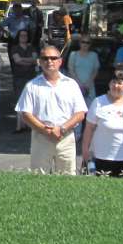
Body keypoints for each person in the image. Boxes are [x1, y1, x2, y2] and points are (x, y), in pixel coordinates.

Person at [16, 43, 88, 174]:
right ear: (40, 62)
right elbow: (26, 113)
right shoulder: (32, 86)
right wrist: (46, 131)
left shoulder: (71, 85)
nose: (49, 61)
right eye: (45, 58)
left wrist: (62, 129)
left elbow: (80, 113)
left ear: (60, 61)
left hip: (65, 138)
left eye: (53, 58)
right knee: (38, 180)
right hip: (41, 138)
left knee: (67, 181)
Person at [82, 72, 123, 177]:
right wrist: (85, 151)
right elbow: (89, 129)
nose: (116, 86)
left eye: (120, 83)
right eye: (113, 82)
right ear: (109, 84)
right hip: (103, 157)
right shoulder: (98, 102)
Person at [8, 28, 38, 132]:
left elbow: (35, 60)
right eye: (21, 35)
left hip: (31, 77)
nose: (24, 37)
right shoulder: (15, 48)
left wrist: (23, 60)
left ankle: (29, 125)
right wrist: (30, 61)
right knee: (19, 101)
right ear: (18, 37)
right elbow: (17, 60)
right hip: (19, 77)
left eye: (25, 35)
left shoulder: (32, 48)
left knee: (31, 101)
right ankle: (19, 126)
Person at [67, 35, 100, 102]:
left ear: (90, 44)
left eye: (87, 42)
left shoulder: (94, 55)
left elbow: (95, 70)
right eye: (83, 42)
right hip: (75, 86)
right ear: (79, 43)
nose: (85, 44)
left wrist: (88, 84)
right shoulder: (73, 54)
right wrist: (80, 85)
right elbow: (71, 70)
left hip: (89, 86)